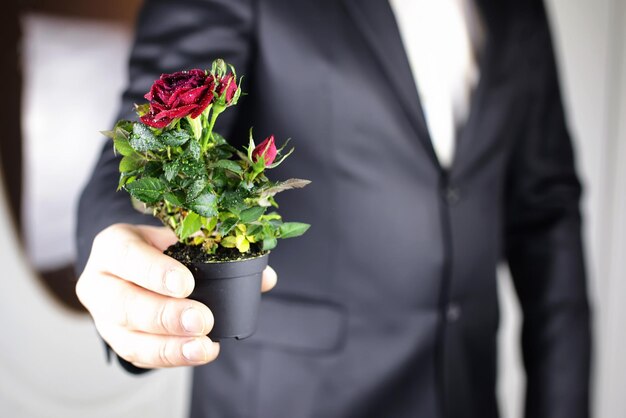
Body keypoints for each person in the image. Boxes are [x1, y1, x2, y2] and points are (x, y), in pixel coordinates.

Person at [75, 0, 591, 417]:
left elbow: (547, 211)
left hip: (468, 391)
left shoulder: (520, 11)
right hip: (296, 398)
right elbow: (150, 135)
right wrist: (122, 249)